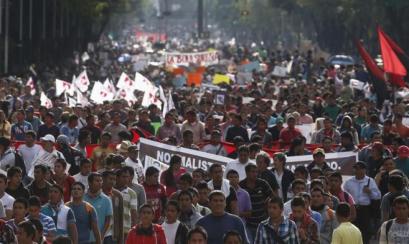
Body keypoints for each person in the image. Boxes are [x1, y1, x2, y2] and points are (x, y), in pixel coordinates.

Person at [343, 161, 381, 244]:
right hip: (352, 209)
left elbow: (378, 196)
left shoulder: (370, 181)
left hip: (365, 210)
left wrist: (369, 192)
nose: (358, 171)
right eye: (356, 169)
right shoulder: (349, 181)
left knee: (365, 233)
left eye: (361, 169)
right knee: (351, 230)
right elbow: (344, 195)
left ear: (365, 170)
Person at [83, 173, 113, 243]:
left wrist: (101, 237)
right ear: (89, 183)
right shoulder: (82, 198)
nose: (100, 183)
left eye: (101, 181)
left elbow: (108, 221)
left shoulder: (106, 200)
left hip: (100, 239)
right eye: (97, 181)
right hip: (83, 239)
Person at [115, 167, 138, 240]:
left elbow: (134, 213)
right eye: (123, 177)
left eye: (127, 177)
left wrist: (134, 230)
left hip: (125, 229)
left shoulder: (132, 193)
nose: (125, 179)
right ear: (117, 178)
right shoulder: (111, 191)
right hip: (111, 229)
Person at [102, 170, 124, 244]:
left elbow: (121, 217)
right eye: (110, 179)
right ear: (103, 179)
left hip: (112, 234)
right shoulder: (96, 194)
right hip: (97, 232)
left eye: (114, 179)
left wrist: (121, 238)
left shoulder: (118, 195)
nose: (112, 182)